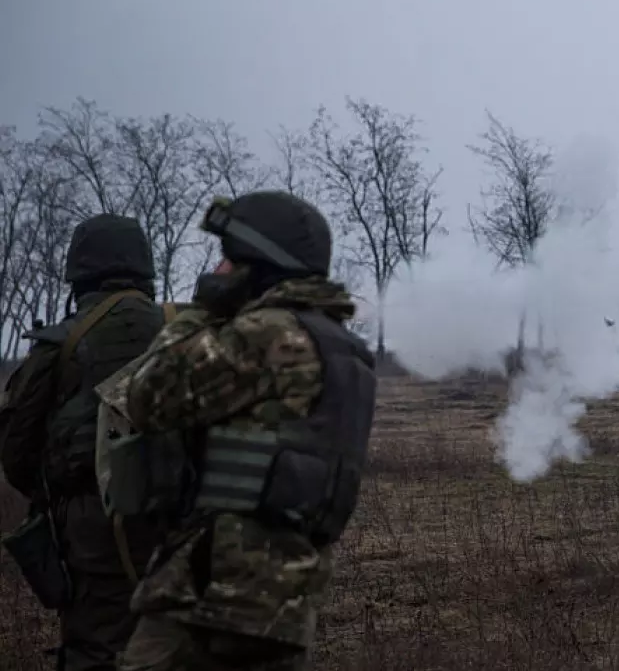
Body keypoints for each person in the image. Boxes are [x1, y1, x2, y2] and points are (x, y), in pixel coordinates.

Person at [112, 191, 377, 671]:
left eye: (228, 260)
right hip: (285, 601)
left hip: (207, 596)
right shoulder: (345, 350)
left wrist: (203, 308)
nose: (220, 269)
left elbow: (146, 396)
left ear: (258, 263)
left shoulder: (270, 333)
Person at [0, 215, 171, 670]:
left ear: (79, 273)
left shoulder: (63, 343)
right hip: (185, 524)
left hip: (95, 534)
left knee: (98, 650)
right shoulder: (185, 328)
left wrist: (57, 498)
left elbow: (16, 455)